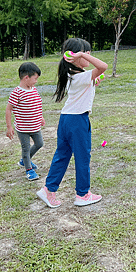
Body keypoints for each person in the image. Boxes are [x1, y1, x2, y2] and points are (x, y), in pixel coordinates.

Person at [37, 38, 107, 208]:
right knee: (83, 157)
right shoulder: (81, 76)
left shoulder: (71, 75)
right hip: (77, 121)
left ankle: (48, 189)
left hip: (66, 119)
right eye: (86, 53)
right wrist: (82, 55)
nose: (89, 56)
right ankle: (82, 194)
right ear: (74, 56)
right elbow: (103, 67)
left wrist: (92, 77)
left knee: (62, 155)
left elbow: (88, 80)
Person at [6, 62, 45, 181]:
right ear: (26, 77)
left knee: (39, 143)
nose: (36, 81)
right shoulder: (17, 93)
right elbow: (8, 109)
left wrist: (41, 117)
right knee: (26, 148)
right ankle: (29, 170)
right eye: (35, 78)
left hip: (35, 126)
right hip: (23, 128)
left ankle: (25, 160)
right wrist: (9, 127)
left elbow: (37, 104)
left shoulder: (34, 89)